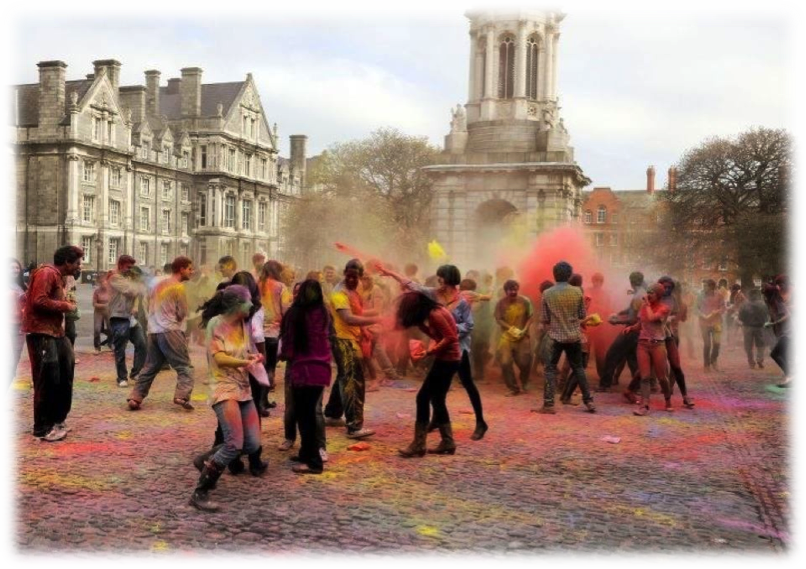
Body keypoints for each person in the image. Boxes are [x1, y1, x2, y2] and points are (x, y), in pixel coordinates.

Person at [381, 264, 488, 441]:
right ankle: (438, 421)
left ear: (448, 279)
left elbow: (469, 325)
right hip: (440, 346)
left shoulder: (462, 300)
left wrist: (449, 328)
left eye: (441, 278)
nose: (438, 281)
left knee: (467, 383)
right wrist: (391, 273)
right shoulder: (434, 294)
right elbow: (413, 285)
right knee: (439, 388)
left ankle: (480, 422)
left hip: (459, 348)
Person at [190, 285, 268, 512]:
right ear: (235, 305)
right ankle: (200, 492)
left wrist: (252, 356)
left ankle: (205, 459)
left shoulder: (244, 324)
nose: (251, 305)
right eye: (247, 302)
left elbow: (240, 352)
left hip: (243, 387)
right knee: (234, 443)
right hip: (223, 387)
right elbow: (221, 358)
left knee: (252, 443)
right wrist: (245, 363)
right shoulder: (216, 324)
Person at [23, 245, 84, 441]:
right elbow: (38, 301)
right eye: (77, 263)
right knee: (47, 380)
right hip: (41, 333)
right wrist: (65, 305)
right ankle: (42, 427)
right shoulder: (46, 273)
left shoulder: (59, 277)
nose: (79, 267)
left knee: (64, 376)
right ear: (67, 262)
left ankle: (58, 419)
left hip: (57, 333)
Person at [396, 291, 462, 458]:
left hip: (447, 361)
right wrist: (422, 327)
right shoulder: (436, 312)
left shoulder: (435, 315)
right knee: (437, 399)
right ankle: (448, 441)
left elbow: (450, 337)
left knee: (423, 398)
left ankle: (419, 444)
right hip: (450, 359)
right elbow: (439, 335)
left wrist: (430, 351)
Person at [127, 257, 196, 410]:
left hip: (153, 331)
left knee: (150, 366)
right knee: (184, 366)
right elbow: (182, 312)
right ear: (181, 269)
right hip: (170, 330)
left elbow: (148, 304)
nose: (192, 272)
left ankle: (135, 397)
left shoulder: (157, 285)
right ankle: (181, 396)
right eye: (190, 269)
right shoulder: (178, 287)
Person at [279, 279, 333, 474]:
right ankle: (305, 452)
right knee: (309, 413)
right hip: (321, 369)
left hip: (303, 371)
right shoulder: (324, 312)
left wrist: (280, 356)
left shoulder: (295, 314)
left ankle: (313, 462)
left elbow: (289, 345)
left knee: (305, 416)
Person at [323, 259, 381, 439]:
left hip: (352, 338)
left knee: (344, 376)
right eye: (348, 276)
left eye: (355, 277)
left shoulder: (357, 289)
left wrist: (364, 330)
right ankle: (354, 426)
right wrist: (376, 321)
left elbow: (357, 312)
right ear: (344, 274)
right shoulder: (339, 293)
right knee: (353, 381)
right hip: (343, 341)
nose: (351, 280)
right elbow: (348, 318)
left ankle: (333, 414)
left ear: (360, 276)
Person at [533, 262, 596, 414]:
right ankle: (589, 402)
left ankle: (548, 405)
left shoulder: (547, 293)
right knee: (579, 368)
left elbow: (545, 318)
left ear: (554, 275)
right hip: (574, 336)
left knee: (549, 369)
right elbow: (582, 315)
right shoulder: (577, 292)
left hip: (555, 336)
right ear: (569, 275)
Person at [624, 283, 673, 416]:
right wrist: (631, 328)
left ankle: (668, 400)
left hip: (658, 344)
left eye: (652, 293)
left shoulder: (664, 308)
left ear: (658, 295)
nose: (649, 295)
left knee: (662, 377)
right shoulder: (644, 306)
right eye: (648, 292)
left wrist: (647, 305)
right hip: (643, 344)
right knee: (644, 376)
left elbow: (652, 318)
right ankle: (644, 405)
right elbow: (641, 324)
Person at [599, 272, 646, 393]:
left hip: (631, 330)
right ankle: (638, 387)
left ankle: (604, 384)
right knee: (632, 359)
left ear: (631, 281)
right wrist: (620, 313)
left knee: (612, 354)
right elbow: (631, 310)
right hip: (637, 331)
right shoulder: (641, 293)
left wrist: (617, 321)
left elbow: (635, 319)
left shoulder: (638, 297)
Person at [108, 255, 148, 388]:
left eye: (132, 267)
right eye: (128, 267)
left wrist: (136, 305)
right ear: (120, 265)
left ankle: (136, 372)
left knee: (142, 343)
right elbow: (130, 291)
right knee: (120, 349)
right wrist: (140, 286)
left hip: (130, 317)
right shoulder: (115, 277)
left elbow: (137, 295)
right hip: (118, 316)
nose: (130, 270)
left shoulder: (130, 278)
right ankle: (121, 377)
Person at [259, 260, 292, 414]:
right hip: (273, 332)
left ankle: (262, 400)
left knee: (258, 366)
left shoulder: (256, 285)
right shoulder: (281, 287)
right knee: (270, 367)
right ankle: (262, 402)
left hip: (256, 332)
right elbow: (286, 310)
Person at [657, 276, 694, 409]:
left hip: (670, 335)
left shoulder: (674, 300)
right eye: (664, 287)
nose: (667, 289)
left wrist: (669, 318)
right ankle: (633, 392)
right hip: (655, 337)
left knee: (675, 365)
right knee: (649, 367)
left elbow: (679, 316)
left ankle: (684, 395)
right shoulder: (653, 298)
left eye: (669, 287)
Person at [494, 280, 534, 396]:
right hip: (506, 337)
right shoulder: (500, 303)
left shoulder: (525, 301)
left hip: (523, 336)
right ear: (506, 291)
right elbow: (498, 319)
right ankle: (513, 388)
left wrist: (524, 330)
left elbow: (531, 317)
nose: (513, 292)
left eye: (515, 289)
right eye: (511, 290)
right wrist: (510, 328)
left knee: (525, 362)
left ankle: (525, 381)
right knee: (505, 362)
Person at [3, 257, 28, 412]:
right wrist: (6, 297)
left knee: (13, 368)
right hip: (4, 327)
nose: (15, 270)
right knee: (8, 364)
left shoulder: (22, 285)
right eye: (11, 267)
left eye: (17, 268)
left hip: (19, 329)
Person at [762, 284, 797, 388]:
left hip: (788, 332)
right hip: (782, 332)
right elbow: (773, 317)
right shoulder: (771, 304)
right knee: (781, 354)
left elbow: (788, 315)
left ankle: (789, 375)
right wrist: (769, 322)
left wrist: (774, 323)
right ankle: (788, 380)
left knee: (774, 354)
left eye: (765, 293)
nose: (764, 296)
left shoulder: (778, 302)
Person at [774, 275, 801, 378]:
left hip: (794, 317)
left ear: (786, 283)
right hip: (782, 317)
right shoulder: (778, 292)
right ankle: (786, 367)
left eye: (781, 285)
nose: (780, 287)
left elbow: (796, 306)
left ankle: (792, 365)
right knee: (781, 341)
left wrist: (784, 308)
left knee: (790, 340)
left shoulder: (795, 291)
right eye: (778, 285)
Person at [697, 279, 726, 371]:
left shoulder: (719, 295)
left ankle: (714, 360)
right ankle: (706, 365)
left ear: (711, 287)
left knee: (717, 343)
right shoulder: (700, 296)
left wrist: (716, 311)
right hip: (704, 323)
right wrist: (702, 315)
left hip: (717, 322)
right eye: (703, 286)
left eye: (706, 286)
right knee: (707, 344)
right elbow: (695, 308)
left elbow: (723, 308)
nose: (704, 288)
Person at [738, 288, 767, 369]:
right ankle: (759, 360)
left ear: (749, 295)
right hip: (759, 327)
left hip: (747, 327)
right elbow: (766, 316)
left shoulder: (744, 304)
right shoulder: (762, 304)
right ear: (757, 295)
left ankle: (751, 362)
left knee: (748, 346)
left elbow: (740, 317)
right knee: (760, 345)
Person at [92, 271, 112, 353]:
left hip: (108, 311)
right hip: (98, 311)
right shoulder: (97, 291)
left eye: (105, 282)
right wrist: (104, 305)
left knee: (111, 328)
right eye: (102, 283)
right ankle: (97, 347)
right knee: (97, 329)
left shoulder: (111, 291)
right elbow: (94, 304)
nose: (104, 284)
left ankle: (111, 343)